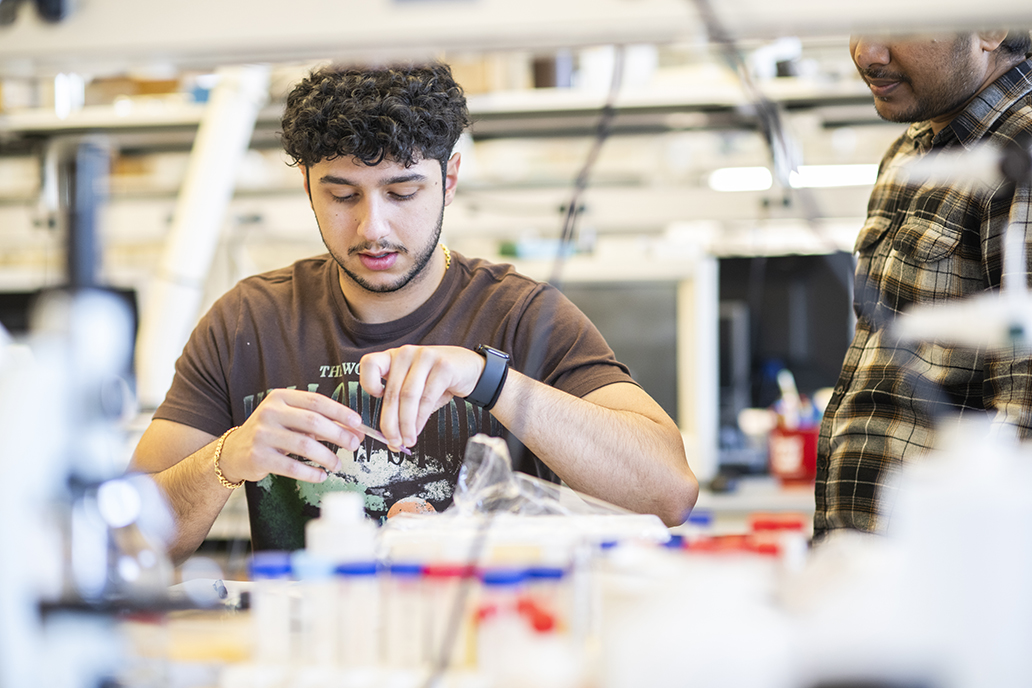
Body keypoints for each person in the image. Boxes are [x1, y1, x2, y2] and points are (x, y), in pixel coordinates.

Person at [129, 62, 698, 563]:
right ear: (306, 185)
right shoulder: (246, 323)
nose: (372, 227)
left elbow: (669, 493)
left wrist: (488, 379)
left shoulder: (523, 315)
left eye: (402, 192)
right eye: (342, 195)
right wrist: (226, 457)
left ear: (448, 179)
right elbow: (126, 540)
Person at [815, 30, 1032, 540]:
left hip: (955, 573)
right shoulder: (909, 155)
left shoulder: (1021, 155)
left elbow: (1026, 414)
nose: (867, 53)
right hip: (872, 565)